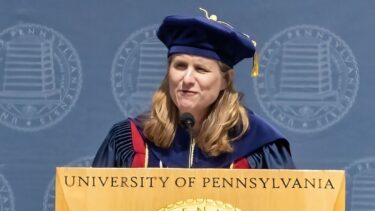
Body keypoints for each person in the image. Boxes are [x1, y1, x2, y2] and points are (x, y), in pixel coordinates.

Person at [92, 11, 295, 169]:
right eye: (180, 66)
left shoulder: (258, 143)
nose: (187, 79)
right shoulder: (131, 139)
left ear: (225, 79)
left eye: (201, 69)